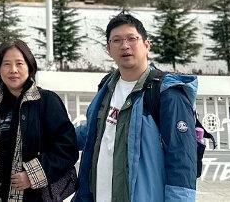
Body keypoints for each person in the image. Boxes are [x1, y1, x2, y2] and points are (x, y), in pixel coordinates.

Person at [74, 13, 198, 201]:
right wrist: (48, 134)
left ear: (147, 45)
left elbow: (182, 161)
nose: (125, 46)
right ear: (108, 49)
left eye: (132, 38)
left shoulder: (167, 94)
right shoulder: (107, 88)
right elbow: (91, 132)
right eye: (117, 40)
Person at [0, 40, 79, 202]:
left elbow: (67, 149)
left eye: (19, 63)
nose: (13, 70)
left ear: (29, 66)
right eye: (6, 64)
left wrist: (32, 174)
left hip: (34, 197)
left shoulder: (47, 102)